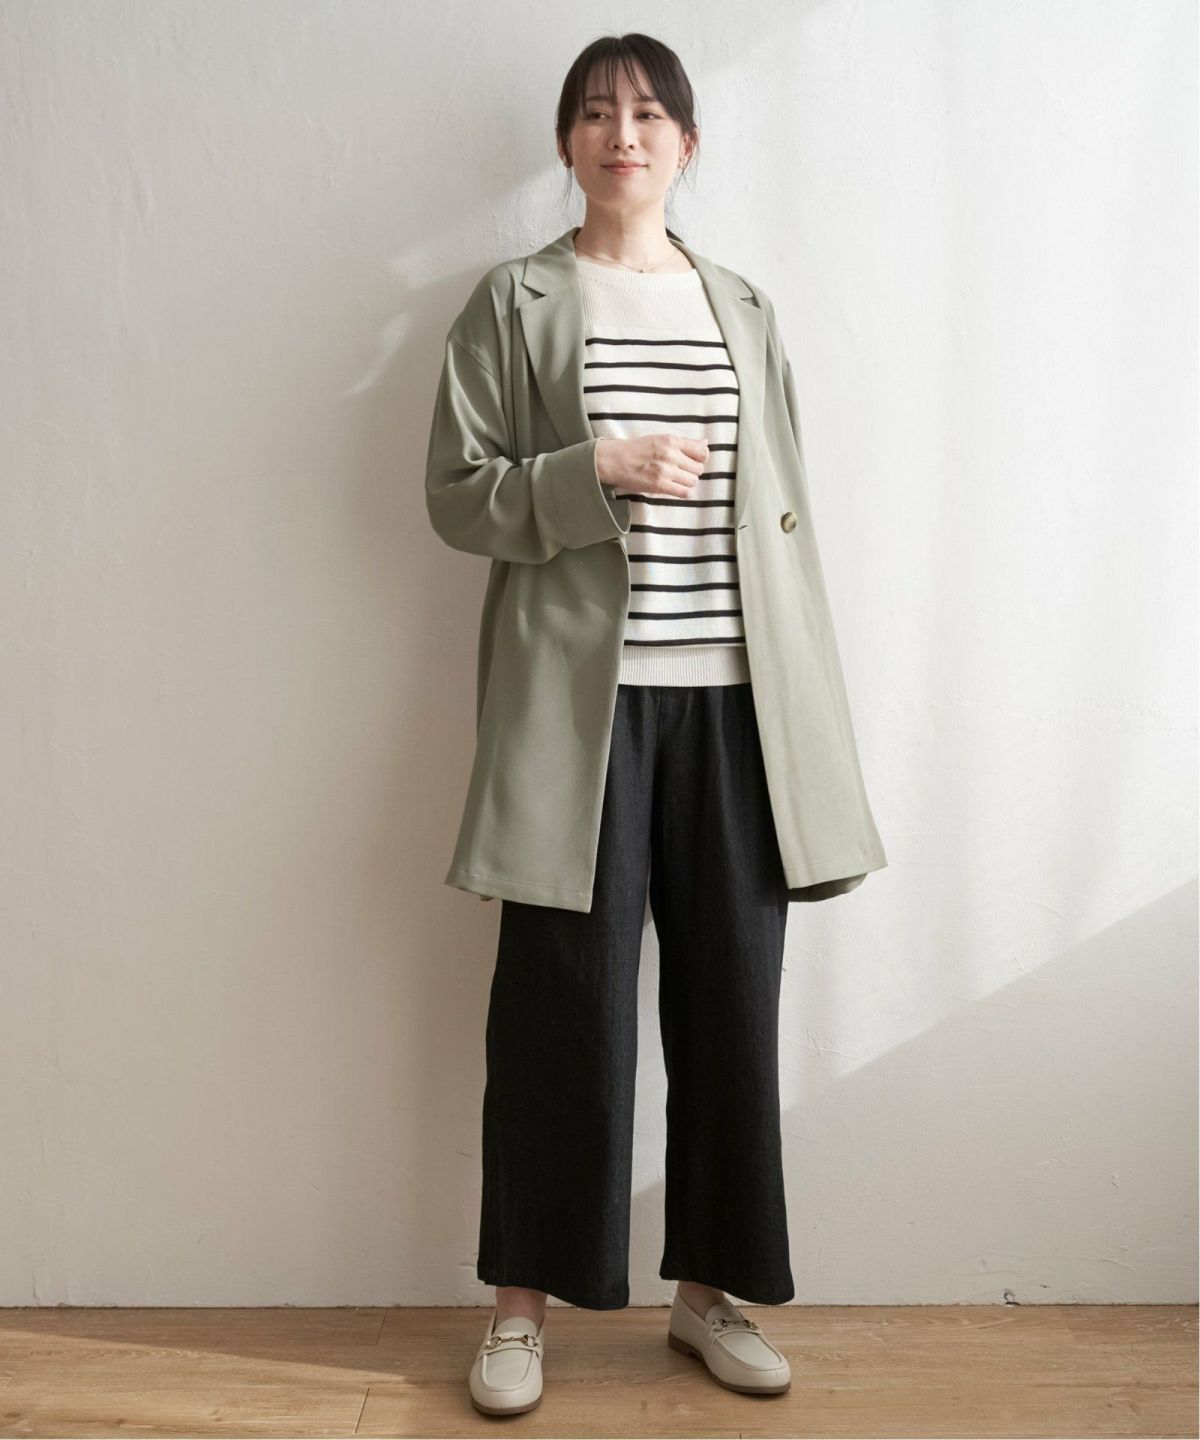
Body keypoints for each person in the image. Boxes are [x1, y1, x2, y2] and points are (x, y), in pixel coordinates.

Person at [424, 32, 888, 1418]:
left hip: (738, 710)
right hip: (579, 713)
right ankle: (520, 1314)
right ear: (567, 143)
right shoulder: (515, 302)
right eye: (593, 111)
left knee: (732, 1003)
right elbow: (456, 495)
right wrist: (595, 468)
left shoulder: (739, 304)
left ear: (687, 142)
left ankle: (709, 1295)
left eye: (646, 112)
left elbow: (783, 511)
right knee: (558, 1010)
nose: (620, 132)